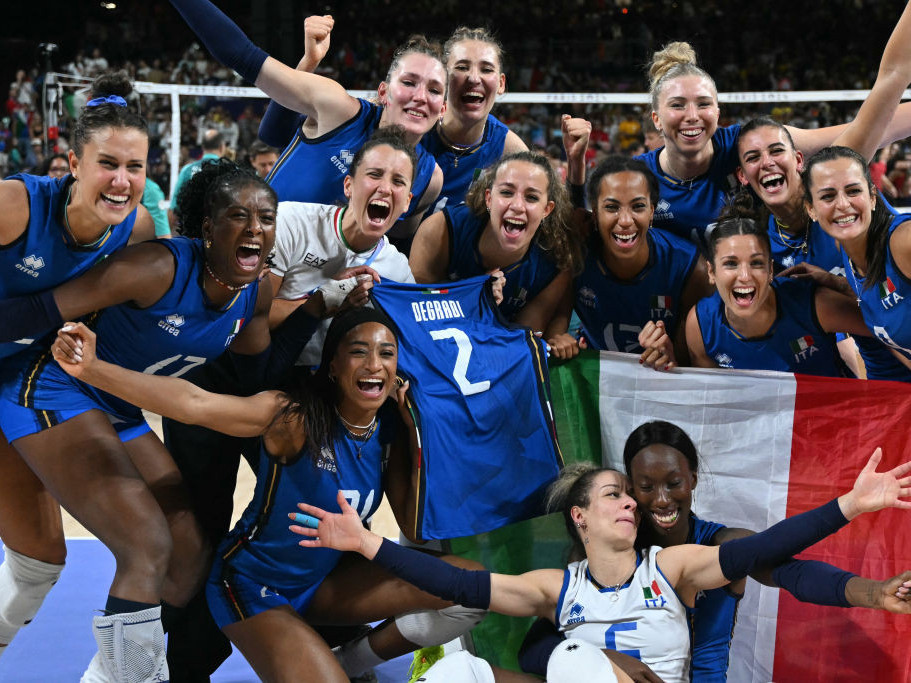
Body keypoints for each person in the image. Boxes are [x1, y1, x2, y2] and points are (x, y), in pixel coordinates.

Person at [51, 309, 487, 683]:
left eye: (386, 353)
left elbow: (412, 526)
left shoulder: (389, 428)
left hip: (326, 583)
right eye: (358, 351)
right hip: (254, 585)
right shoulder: (292, 418)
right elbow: (194, 403)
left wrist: (413, 428)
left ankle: (350, 659)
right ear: (333, 365)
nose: (374, 364)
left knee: (471, 587)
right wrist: (92, 370)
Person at [290, 439, 911, 683]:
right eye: (620, 493)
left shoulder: (674, 565)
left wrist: (849, 507)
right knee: (455, 675)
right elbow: (455, 582)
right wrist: (370, 543)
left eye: (634, 495)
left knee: (575, 660)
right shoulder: (557, 584)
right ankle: (370, 663)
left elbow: (765, 552)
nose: (639, 503)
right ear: (580, 518)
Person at [0, 159, 280, 680]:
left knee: (190, 552)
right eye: (238, 216)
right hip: (56, 384)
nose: (255, 228)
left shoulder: (256, 293)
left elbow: (251, 377)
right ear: (206, 229)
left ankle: (112, 673)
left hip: (117, 403)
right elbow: (43, 309)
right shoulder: (158, 268)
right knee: (146, 545)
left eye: (266, 218)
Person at [0, 70, 155, 661]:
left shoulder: (135, 230)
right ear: (73, 164)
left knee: (38, 564)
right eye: (107, 164)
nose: (121, 180)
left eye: (134, 167)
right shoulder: (16, 207)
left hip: (23, 383)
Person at [167, 2, 445, 240]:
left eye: (433, 90)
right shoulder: (341, 111)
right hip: (254, 258)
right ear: (383, 92)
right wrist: (308, 61)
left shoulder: (430, 178)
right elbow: (242, 55)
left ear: (442, 108)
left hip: (326, 297)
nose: (420, 96)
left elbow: (396, 244)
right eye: (409, 82)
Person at [637, 27, 911, 248]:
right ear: (656, 118)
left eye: (703, 103)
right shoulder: (638, 177)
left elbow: (864, 132)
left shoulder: (753, 143)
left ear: (718, 113)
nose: (692, 115)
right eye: (677, 105)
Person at [734, 117, 911, 381]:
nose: (842, 204)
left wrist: (894, 77)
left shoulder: (901, 241)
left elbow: (875, 123)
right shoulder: (853, 264)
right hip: (884, 383)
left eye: (853, 191)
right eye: (828, 196)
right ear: (812, 209)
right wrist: (835, 283)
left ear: (873, 197)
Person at [545, 155, 712, 369]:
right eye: (612, 207)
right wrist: (559, 339)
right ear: (594, 214)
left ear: (652, 212)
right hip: (598, 381)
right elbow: (556, 320)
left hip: (658, 387)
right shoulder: (576, 256)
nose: (625, 221)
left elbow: (696, 364)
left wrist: (672, 356)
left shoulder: (690, 267)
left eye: (638, 207)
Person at [267, 126, 416, 365]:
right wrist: (324, 301)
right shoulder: (290, 222)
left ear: (407, 202)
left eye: (398, 181)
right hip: (271, 375)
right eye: (375, 174)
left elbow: (410, 344)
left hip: (339, 388)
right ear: (348, 185)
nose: (385, 188)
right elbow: (249, 318)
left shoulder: (399, 271)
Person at [409, 151, 581, 332]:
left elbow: (521, 342)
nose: (517, 206)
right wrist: (470, 298)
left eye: (531, 197)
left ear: (547, 209)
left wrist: (486, 312)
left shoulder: (553, 262)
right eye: (507, 192)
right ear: (489, 198)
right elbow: (412, 312)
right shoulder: (441, 229)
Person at [684, 213, 871, 376]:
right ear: (711, 272)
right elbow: (712, 403)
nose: (744, 276)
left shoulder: (813, 304)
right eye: (731, 264)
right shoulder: (700, 326)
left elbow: (890, 327)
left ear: (771, 270)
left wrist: (840, 284)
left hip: (831, 413)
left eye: (756, 263)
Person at [419, 26, 528, 216]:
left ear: (501, 84)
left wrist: (575, 167)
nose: (474, 78)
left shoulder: (510, 151)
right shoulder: (415, 130)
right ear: (442, 77)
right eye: (462, 67)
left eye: (486, 69)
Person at [168, 128, 226, 229]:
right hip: (221, 232)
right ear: (222, 147)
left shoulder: (187, 170)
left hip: (191, 234)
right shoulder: (232, 170)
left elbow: (173, 210)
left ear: (202, 147)